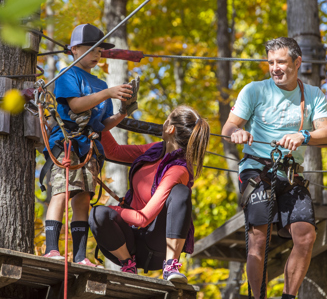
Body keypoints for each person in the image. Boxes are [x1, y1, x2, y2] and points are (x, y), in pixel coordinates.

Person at [222, 37, 327, 299]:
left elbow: (325, 133)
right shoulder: (254, 90)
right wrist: (236, 133)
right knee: (259, 238)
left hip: (290, 172)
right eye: (271, 62)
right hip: (257, 170)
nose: (275, 67)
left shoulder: (313, 95)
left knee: (306, 236)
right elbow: (228, 128)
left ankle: (288, 297)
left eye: (281, 62)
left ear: (297, 62)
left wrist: (303, 136)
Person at [43, 23, 136, 267]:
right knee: (61, 192)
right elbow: (75, 106)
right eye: (92, 49)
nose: (97, 54)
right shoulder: (68, 74)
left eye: (100, 50)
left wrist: (123, 113)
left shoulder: (101, 85)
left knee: (83, 199)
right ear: (74, 49)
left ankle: (80, 255)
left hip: (89, 148)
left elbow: (101, 125)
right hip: (67, 144)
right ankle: (52, 248)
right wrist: (108, 94)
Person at [88, 105, 210, 282]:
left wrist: (117, 210)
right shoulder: (154, 149)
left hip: (155, 246)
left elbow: (143, 218)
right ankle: (128, 264)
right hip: (128, 241)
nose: (163, 122)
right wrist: (96, 120)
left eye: (166, 119)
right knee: (98, 214)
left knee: (180, 192)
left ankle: (170, 265)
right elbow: (113, 152)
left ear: (170, 128)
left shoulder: (178, 169)